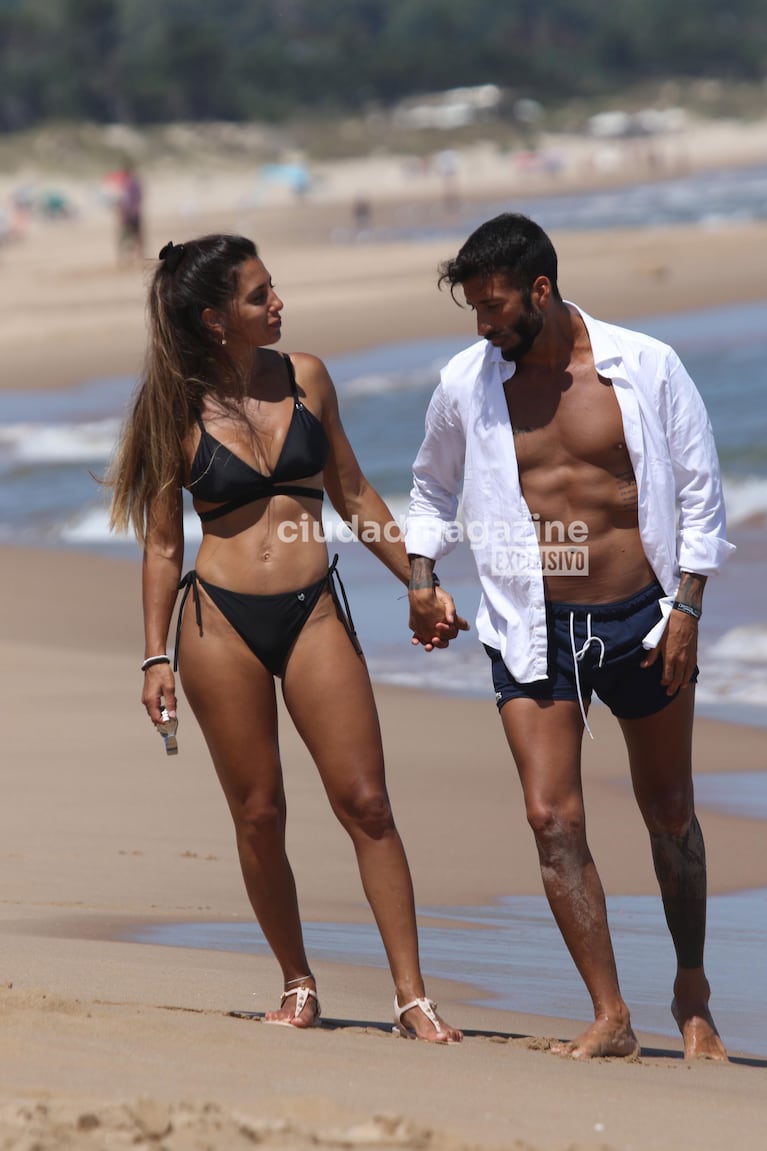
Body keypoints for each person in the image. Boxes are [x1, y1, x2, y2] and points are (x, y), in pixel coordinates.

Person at [106, 233, 465, 1042]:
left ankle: (412, 995)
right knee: (259, 813)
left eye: (274, 289)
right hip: (218, 625)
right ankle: (297, 981)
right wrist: (153, 654)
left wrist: (417, 577)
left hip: (312, 611)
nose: (278, 303)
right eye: (259, 294)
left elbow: (352, 490)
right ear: (214, 318)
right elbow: (163, 545)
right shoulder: (173, 407)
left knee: (366, 802)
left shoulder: (306, 378)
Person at [406, 213, 734, 1061]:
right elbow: (430, 491)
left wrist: (687, 609)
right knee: (550, 817)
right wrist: (420, 576)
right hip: (532, 624)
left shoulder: (643, 365)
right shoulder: (466, 385)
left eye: (493, 305)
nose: (483, 323)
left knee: (667, 810)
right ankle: (610, 1013)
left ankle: (691, 989)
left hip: (642, 618)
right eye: (473, 308)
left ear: (539, 291)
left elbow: (699, 496)